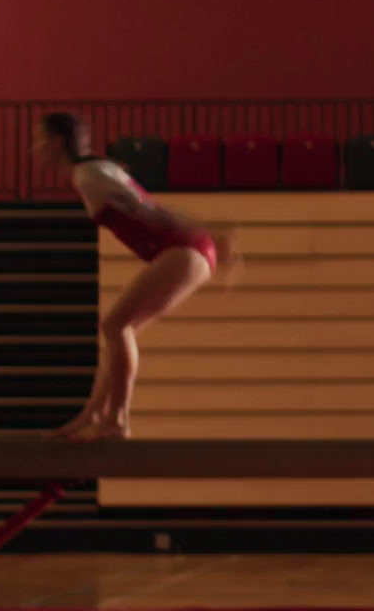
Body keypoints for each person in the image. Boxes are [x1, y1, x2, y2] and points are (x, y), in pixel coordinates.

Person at [33, 113, 240, 440]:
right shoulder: (93, 170)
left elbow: (148, 210)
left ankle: (117, 419)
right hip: (185, 249)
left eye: (40, 139)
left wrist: (203, 229)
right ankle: (93, 415)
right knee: (116, 335)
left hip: (184, 248)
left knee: (115, 326)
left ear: (58, 142)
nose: (36, 148)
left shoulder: (88, 174)